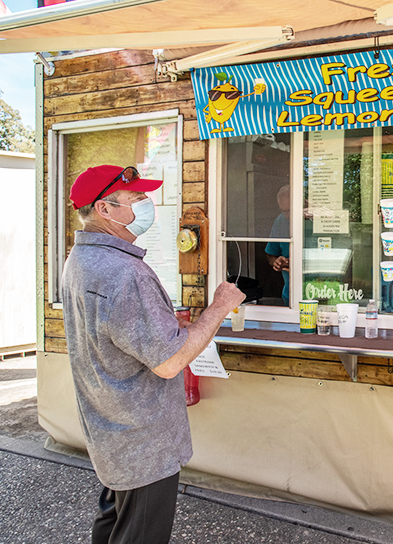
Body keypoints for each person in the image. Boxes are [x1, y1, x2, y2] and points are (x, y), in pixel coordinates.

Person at [61, 165, 245, 544]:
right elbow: (170, 360)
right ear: (105, 209)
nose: (147, 204)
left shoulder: (79, 262)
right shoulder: (126, 273)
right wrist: (219, 307)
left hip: (110, 430)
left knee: (113, 522)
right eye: (137, 198)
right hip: (143, 442)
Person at [265, 184, 291, 305]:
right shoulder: (280, 221)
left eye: (290, 210)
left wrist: (298, 264)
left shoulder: (313, 220)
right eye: (283, 211)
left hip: (318, 291)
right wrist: (277, 262)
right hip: (289, 293)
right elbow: (271, 254)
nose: (287, 215)